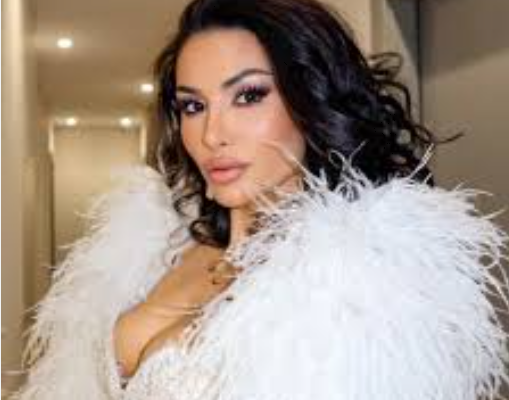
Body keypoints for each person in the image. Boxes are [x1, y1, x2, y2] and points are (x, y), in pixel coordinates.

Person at [10, 0, 509, 399]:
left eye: (248, 96)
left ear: (310, 98)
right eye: (193, 105)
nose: (212, 134)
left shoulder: (363, 287)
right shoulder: (159, 248)